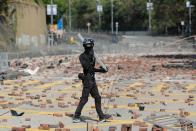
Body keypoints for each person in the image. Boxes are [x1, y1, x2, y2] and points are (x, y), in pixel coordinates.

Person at [73, 38, 112, 123]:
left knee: (97, 97)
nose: (90, 49)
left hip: (92, 79)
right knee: (84, 99)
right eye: (89, 47)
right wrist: (100, 70)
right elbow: (88, 68)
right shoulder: (82, 56)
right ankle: (76, 116)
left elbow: (92, 69)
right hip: (87, 80)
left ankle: (101, 116)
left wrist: (102, 70)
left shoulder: (93, 55)